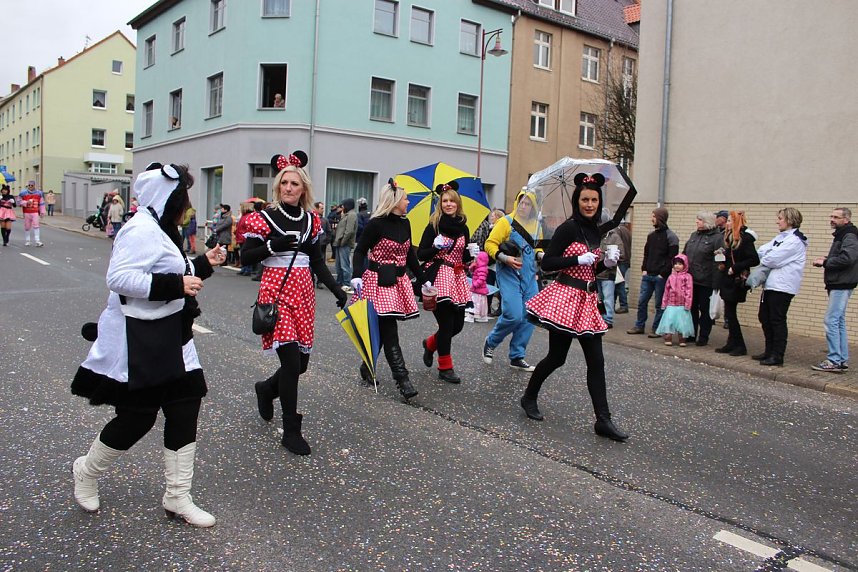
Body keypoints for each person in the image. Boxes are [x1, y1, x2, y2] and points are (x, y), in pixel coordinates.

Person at [70, 163, 224, 527]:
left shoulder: (161, 228)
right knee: (137, 418)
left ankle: (177, 497)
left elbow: (168, 268)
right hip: (141, 339)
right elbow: (120, 278)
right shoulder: (139, 228)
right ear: (166, 196)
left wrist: (202, 264)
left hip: (173, 333)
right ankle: (87, 472)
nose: (186, 204)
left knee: (185, 406)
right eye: (182, 197)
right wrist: (177, 286)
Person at [240, 151, 347, 456]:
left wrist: (337, 290)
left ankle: (266, 389)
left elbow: (317, 262)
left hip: (303, 292)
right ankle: (291, 430)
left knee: (299, 365)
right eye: (284, 183)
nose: (288, 188)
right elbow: (247, 256)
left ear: (303, 189)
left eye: (294, 184)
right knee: (289, 361)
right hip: (275, 290)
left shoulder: (311, 221)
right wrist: (271, 245)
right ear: (278, 187)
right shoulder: (264, 218)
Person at [522, 173, 627, 441]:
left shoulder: (596, 230)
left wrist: (606, 264)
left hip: (588, 302)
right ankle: (529, 396)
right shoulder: (568, 228)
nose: (589, 204)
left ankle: (603, 420)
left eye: (593, 199)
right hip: (566, 299)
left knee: (597, 362)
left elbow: (592, 269)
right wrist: (577, 259)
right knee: (557, 358)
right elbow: (548, 263)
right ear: (577, 200)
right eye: (585, 199)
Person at [350, 179, 424, 399]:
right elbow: (360, 250)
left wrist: (423, 279)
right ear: (394, 201)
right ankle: (403, 380)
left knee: (384, 327)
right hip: (378, 281)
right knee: (389, 329)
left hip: (398, 282)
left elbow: (410, 254)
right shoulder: (376, 224)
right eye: (405, 198)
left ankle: (367, 365)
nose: (408, 201)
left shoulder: (405, 223)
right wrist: (355, 275)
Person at [417, 182, 473, 384]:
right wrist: (435, 246)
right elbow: (421, 254)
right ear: (440, 204)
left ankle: (430, 344)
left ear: (458, 204)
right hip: (439, 276)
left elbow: (464, 255)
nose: (449, 204)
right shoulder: (434, 226)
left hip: (457, 278)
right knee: (447, 324)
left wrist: (472, 257)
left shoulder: (463, 228)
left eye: (452, 201)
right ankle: (445, 367)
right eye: (445, 201)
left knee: (457, 326)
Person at [483, 189, 543, 371]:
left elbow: (538, 248)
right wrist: (503, 257)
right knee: (513, 314)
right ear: (517, 203)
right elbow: (489, 244)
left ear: (533, 207)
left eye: (528, 204)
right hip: (508, 274)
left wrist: (541, 254)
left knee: (529, 317)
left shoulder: (537, 226)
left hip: (530, 276)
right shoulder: (506, 222)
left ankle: (517, 356)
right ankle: (491, 342)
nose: (524, 206)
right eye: (521, 202)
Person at [755, 207, 807, 366]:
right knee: (764, 317)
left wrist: (769, 256)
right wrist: (769, 255)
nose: (777, 221)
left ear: (790, 220)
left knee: (777, 319)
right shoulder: (781, 237)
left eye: (780, 218)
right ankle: (769, 350)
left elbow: (771, 259)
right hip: (770, 285)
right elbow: (761, 251)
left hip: (783, 286)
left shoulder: (795, 240)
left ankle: (777, 355)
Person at [811, 207, 858, 372]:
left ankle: (834, 360)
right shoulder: (843, 234)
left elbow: (848, 258)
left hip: (841, 284)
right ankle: (841, 359)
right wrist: (827, 258)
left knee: (831, 320)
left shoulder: (849, 235)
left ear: (846, 219)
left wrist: (825, 262)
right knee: (838, 321)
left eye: (836, 217)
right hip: (840, 283)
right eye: (831, 216)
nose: (832, 219)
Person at [627, 207, 678, 337]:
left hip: (660, 277)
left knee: (659, 304)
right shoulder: (651, 236)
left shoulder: (671, 237)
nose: (652, 219)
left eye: (654, 216)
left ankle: (657, 329)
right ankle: (639, 326)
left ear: (660, 217)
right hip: (648, 275)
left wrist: (663, 274)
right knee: (642, 301)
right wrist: (644, 269)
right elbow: (646, 253)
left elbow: (672, 258)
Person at [713, 211, 759, 356]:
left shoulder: (745, 239)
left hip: (736, 281)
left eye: (729, 221)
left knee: (731, 315)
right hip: (727, 280)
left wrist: (735, 267)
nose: (726, 223)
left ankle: (740, 346)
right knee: (729, 313)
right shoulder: (730, 238)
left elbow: (754, 259)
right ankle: (731, 343)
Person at [682, 211, 722, 346]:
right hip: (691, 280)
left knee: (704, 310)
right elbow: (685, 253)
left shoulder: (717, 238)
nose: (697, 222)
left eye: (699, 220)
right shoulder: (694, 235)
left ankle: (704, 336)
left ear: (707, 222)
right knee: (691, 308)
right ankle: (691, 333)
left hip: (706, 281)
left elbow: (719, 261)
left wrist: (716, 282)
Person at [470, 208, 506, 317]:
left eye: (494, 216)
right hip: (488, 262)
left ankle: (500, 308)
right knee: (489, 285)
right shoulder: (489, 228)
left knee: (499, 287)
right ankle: (487, 308)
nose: (491, 217)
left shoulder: (500, 230)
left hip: (495, 261)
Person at [656, 254, 695, 347]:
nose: (677, 266)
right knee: (669, 321)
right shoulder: (671, 277)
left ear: (685, 265)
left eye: (680, 264)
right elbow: (666, 291)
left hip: (682, 305)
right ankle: (668, 337)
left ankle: (682, 339)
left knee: (683, 324)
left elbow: (689, 291)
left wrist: (687, 304)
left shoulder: (687, 277)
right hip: (671, 304)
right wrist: (664, 303)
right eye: (675, 264)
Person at [595, 223, 621, 328]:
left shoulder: (614, 237)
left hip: (608, 273)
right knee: (599, 298)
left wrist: (610, 256)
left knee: (608, 297)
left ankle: (608, 319)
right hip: (597, 273)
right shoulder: (596, 235)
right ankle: (600, 318)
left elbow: (621, 254)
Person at [333, 198, 357, 290]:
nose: (342, 207)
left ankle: (346, 284)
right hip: (340, 243)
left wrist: (342, 241)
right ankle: (339, 282)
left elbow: (349, 230)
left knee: (344, 265)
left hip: (345, 244)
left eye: (343, 205)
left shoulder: (352, 215)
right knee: (338, 265)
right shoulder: (347, 214)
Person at [18, 181, 45, 246]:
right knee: (27, 226)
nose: (30, 186)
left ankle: (37, 240)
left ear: (34, 185)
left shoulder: (39, 193)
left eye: (32, 185)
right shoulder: (23, 193)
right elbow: (18, 202)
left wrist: (42, 212)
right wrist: (26, 202)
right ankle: (27, 240)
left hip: (35, 212)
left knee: (36, 225)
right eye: (29, 185)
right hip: (27, 212)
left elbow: (41, 203)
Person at [614, 221, 632, 313]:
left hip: (620, 260)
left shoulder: (616, 231)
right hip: (626, 260)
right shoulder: (627, 231)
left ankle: (623, 305)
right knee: (619, 282)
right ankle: (619, 304)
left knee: (618, 283)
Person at [468, 251, 491, 323]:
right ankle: (478, 316)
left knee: (477, 303)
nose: (475, 260)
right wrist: (472, 266)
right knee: (478, 303)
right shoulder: (479, 268)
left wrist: (475, 285)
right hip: (477, 289)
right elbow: (471, 271)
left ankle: (475, 315)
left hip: (478, 289)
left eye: (476, 259)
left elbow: (481, 279)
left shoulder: (482, 269)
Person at [234, 203, 255, 275]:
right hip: (241, 237)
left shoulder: (248, 216)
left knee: (246, 254)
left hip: (244, 237)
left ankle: (247, 269)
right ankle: (244, 268)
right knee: (243, 253)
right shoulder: (245, 216)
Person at [313, 201, 330, 288]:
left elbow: (329, 232)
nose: (323, 210)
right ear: (316, 208)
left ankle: (319, 282)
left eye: (323, 208)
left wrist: (326, 241)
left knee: (321, 264)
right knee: (310, 263)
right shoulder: (311, 218)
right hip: (312, 245)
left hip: (322, 245)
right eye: (321, 208)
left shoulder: (325, 220)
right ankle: (311, 280)